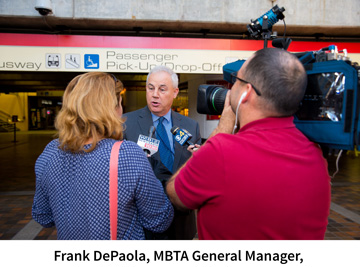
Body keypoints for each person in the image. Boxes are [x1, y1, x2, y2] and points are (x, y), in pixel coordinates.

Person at [166, 48, 331, 240]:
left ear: (247, 92)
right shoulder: (316, 158)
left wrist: (222, 130)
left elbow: (175, 194)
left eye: (236, 80)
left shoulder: (220, 152)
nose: (230, 89)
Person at [32, 72, 174, 240]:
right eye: (120, 104)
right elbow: (158, 220)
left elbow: (43, 216)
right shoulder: (127, 155)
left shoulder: (50, 152)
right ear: (112, 109)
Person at [123, 65, 201, 240]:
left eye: (162, 89)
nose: (155, 94)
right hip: (143, 218)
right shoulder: (126, 123)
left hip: (181, 217)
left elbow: (194, 172)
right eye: (150, 88)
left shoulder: (190, 126)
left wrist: (200, 159)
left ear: (175, 92)